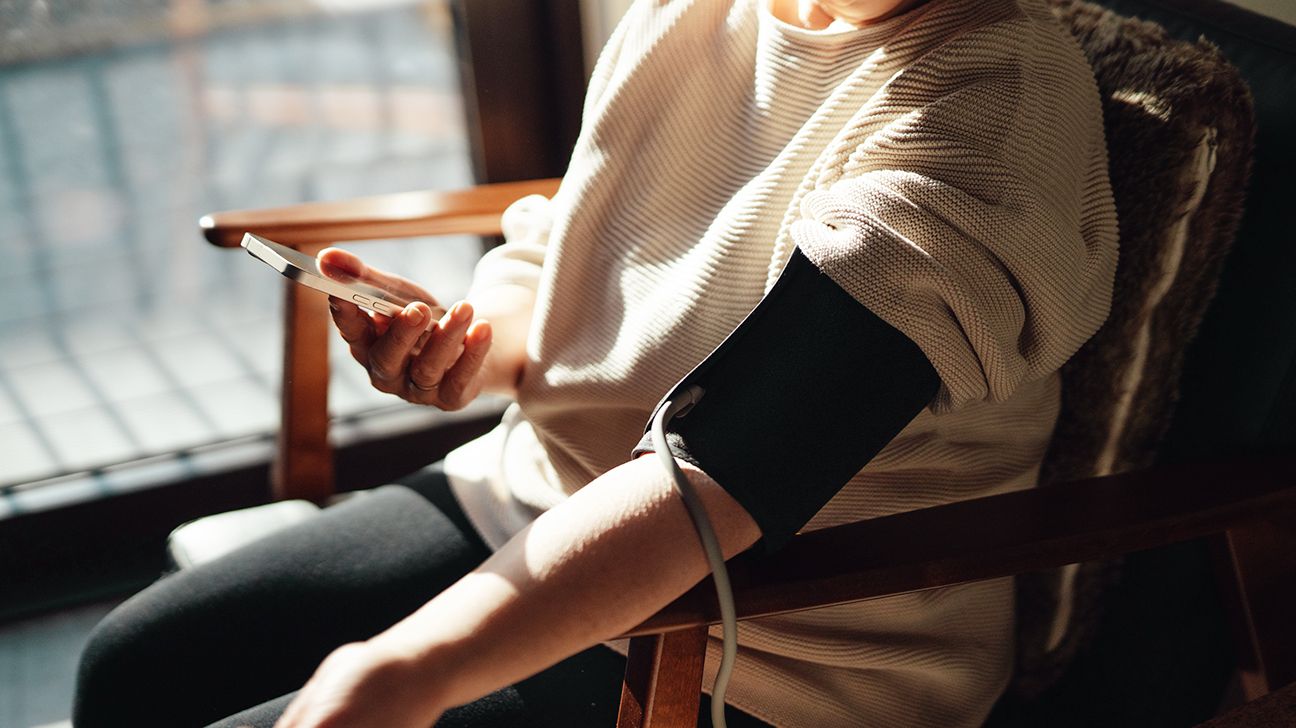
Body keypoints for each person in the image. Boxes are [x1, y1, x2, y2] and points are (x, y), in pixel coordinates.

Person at [73, 0, 1117, 725]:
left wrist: (402, 664)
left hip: (776, 646)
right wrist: (475, 349)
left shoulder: (989, 106)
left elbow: (720, 472)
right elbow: (572, 237)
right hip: (537, 492)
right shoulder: (695, 18)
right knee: (134, 670)